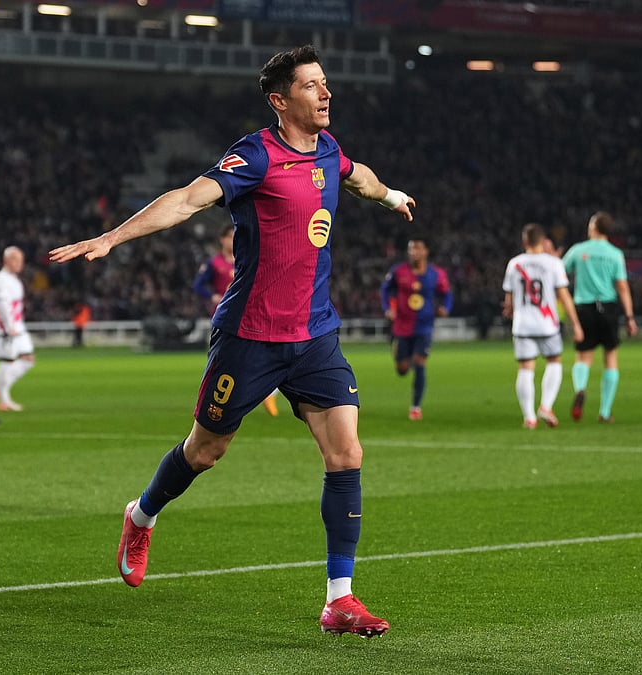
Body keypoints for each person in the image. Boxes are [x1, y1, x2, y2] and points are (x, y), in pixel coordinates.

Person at [49, 45, 414, 638]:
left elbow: (357, 176)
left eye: (326, 83)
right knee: (206, 450)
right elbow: (187, 200)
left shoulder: (328, 149)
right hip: (251, 336)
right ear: (280, 100)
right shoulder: (256, 156)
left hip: (316, 334)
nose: (326, 94)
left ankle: (339, 600)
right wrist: (113, 238)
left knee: (346, 452)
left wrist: (390, 194)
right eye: (312, 86)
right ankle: (141, 515)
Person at [193, 224, 280, 416]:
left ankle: (267, 392)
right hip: (224, 319)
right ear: (222, 239)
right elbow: (198, 285)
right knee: (224, 360)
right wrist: (212, 296)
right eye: (230, 236)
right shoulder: (215, 263)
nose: (234, 240)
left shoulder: (245, 259)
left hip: (250, 316)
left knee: (266, 355)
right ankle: (216, 400)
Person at [502, 224, 583, 429]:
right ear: (542, 240)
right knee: (554, 361)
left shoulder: (514, 264)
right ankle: (546, 406)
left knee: (525, 368)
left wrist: (510, 310)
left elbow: (509, 300)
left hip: (522, 325)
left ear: (525, 241)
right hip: (547, 324)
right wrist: (576, 324)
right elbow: (564, 296)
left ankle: (529, 417)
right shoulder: (553, 263)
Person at [561, 211, 638, 423]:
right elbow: (622, 287)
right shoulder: (615, 254)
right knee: (610, 358)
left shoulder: (578, 250)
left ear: (594, 227)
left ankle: (580, 389)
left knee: (583, 357)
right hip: (608, 307)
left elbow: (559, 273)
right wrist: (630, 317)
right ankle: (604, 413)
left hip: (584, 307)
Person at [379, 236, 452, 421]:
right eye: (411, 249)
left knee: (420, 363)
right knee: (402, 369)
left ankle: (416, 407)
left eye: (418, 248)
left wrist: (445, 307)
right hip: (402, 326)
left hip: (424, 326)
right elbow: (385, 289)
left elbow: (447, 294)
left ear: (426, 251)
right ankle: (404, 356)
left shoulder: (436, 274)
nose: (414, 252)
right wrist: (388, 308)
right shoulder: (398, 271)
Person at [0, 245, 35, 412]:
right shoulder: (1, 280)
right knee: (7, 362)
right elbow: (2, 305)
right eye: (16, 260)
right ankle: (3, 400)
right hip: (6, 329)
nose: (19, 263)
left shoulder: (14, 279)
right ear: (6, 260)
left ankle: (1, 387)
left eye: (21, 260)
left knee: (28, 359)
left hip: (18, 326)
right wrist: (8, 326)